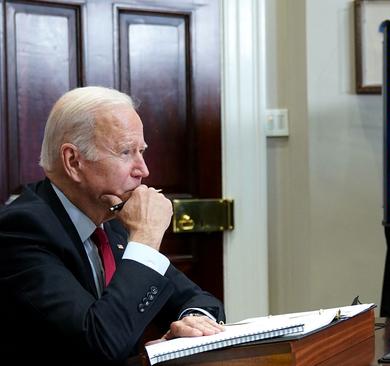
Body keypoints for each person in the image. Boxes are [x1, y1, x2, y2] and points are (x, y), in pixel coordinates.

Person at [0, 87, 226, 364]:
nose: (143, 170)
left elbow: (203, 302)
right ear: (74, 161)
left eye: (141, 151)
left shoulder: (112, 219)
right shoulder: (20, 230)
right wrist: (146, 236)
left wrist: (193, 323)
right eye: (126, 152)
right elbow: (99, 345)